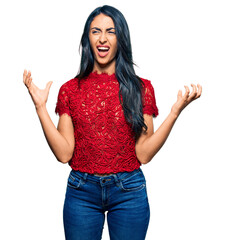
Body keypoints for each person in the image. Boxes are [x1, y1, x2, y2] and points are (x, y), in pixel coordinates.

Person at [23, 5, 202, 240]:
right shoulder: (69, 90)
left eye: (111, 31)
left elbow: (144, 154)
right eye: (96, 31)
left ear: (121, 38)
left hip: (129, 191)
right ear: (88, 38)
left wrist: (174, 113)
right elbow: (64, 154)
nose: (103, 38)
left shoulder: (141, 88)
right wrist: (40, 108)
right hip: (81, 191)